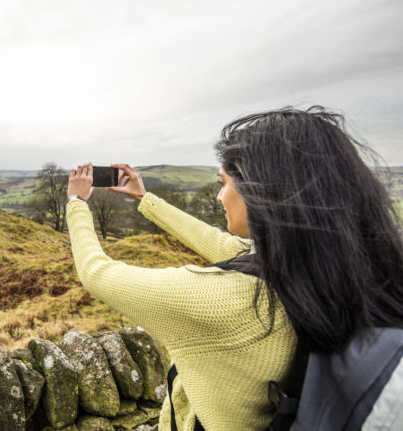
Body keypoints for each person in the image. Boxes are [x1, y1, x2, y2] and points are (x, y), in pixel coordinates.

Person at [65, 106, 403, 430]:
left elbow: (98, 273)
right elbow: (221, 244)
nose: (219, 197)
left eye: (223, 182)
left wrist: (77, 203)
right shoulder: (331, 270)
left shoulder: (224, 299)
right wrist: (146, 200)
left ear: (262, 190)